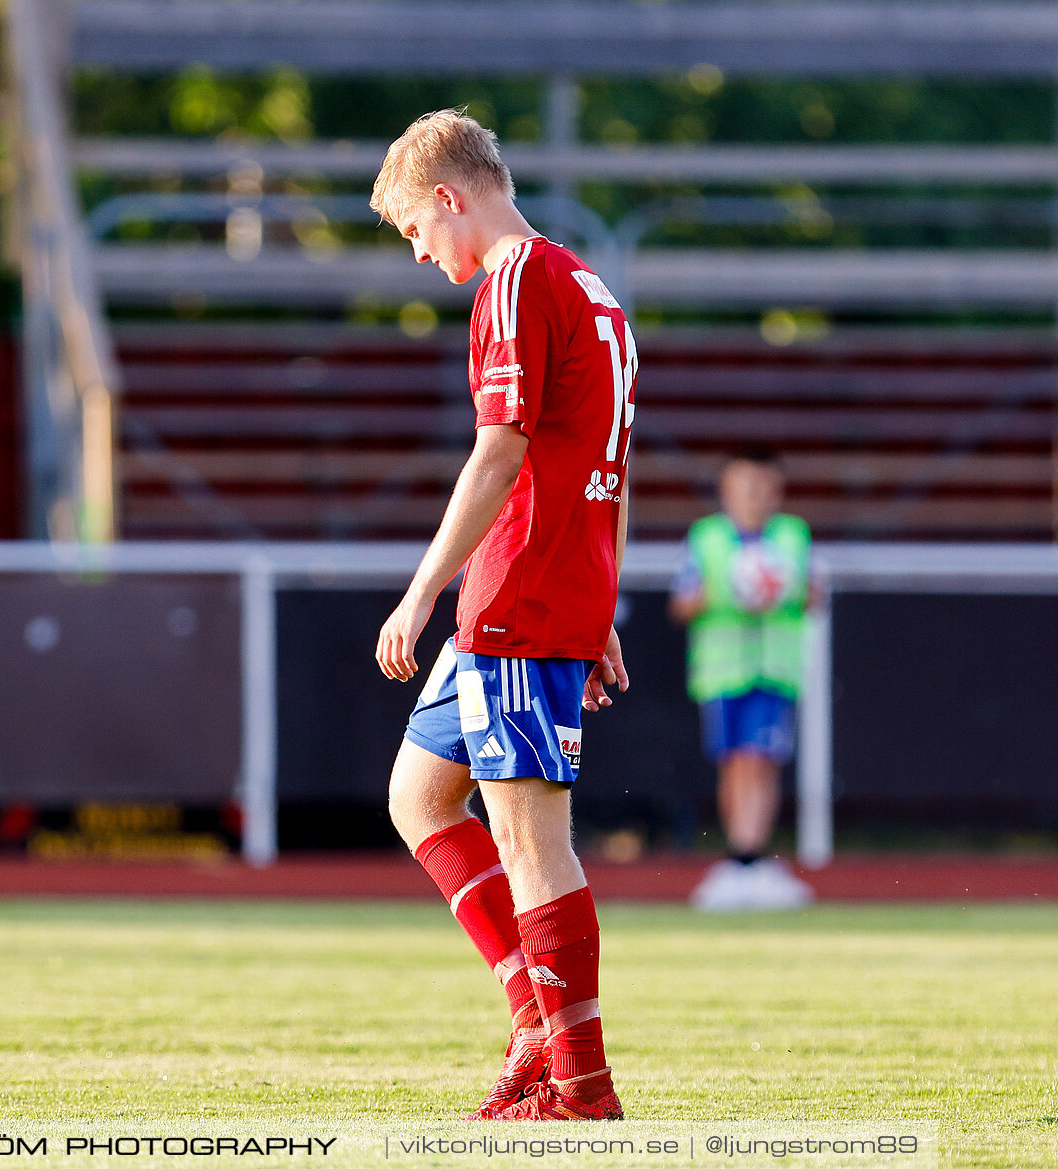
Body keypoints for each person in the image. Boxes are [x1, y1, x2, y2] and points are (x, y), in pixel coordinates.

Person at [370, 110, 636, 1122]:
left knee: (532, 840)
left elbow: (502, 450)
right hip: (537, 586)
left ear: (449, 197)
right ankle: (535, 1011)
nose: (421, 253)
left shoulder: (514, 281)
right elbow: (609, 457)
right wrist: (600, 595)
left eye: (413, 232)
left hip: (516, 592)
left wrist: (421, 587)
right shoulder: (594, 290)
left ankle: (581, 1084)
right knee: (420, 794)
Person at [668, 450, 818, 912]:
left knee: (761, 759)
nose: (754, 497)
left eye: (764, 487)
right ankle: (742, 858)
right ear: (727, 491)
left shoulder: (793, 536)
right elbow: (682, 604)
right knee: (734, 763)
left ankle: (748, 856)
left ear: (777, 492)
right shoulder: (707, 537)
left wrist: (779, 587)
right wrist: (725, 592)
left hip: (774, 668)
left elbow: (814, 595)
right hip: (721, 671)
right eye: (745, 487)